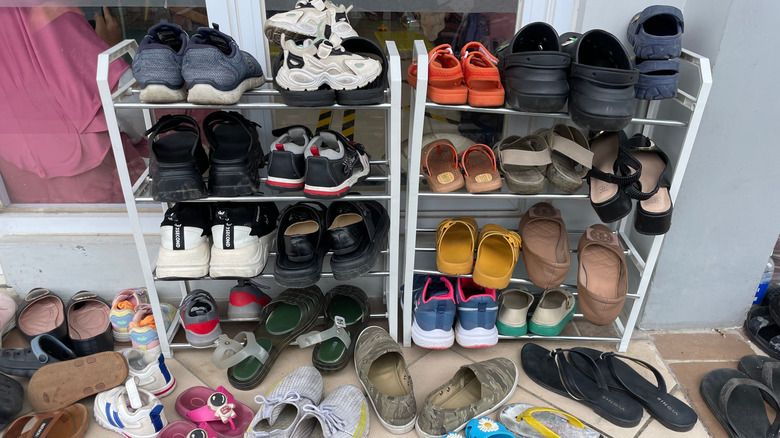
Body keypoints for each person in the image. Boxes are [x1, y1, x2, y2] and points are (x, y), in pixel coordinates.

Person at [0, 7, 146, 203]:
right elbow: (137, 114)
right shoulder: (47, 10)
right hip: (100, 193)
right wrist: (110, 51)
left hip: (23, 203)